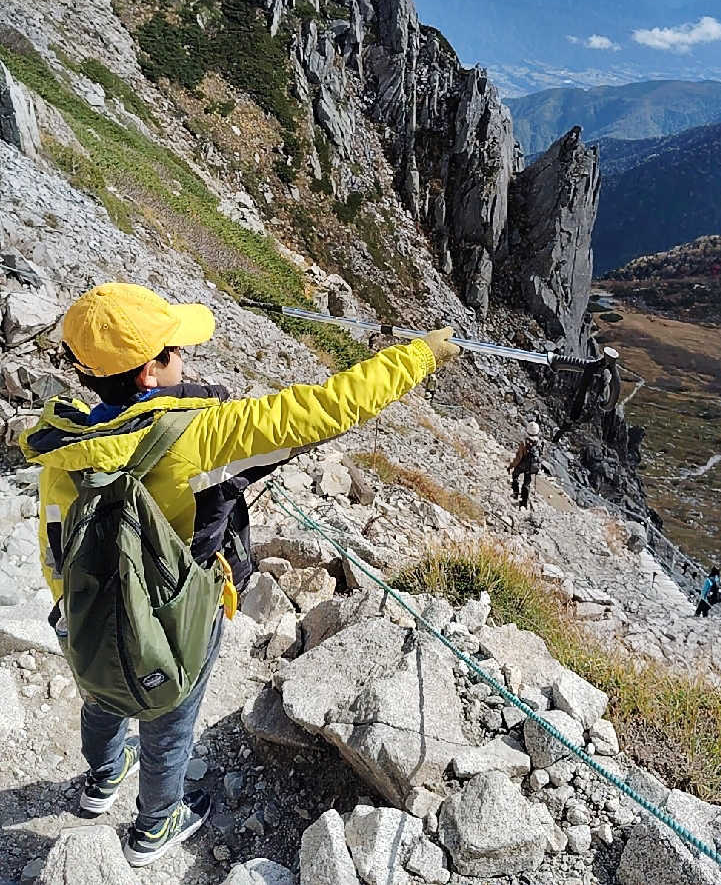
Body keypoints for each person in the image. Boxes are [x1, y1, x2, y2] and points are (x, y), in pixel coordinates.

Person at [20, 282, 460, 866]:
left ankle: (101, 781)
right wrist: (420, 355)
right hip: (173, 622)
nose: (187, 356)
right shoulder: (203, 435)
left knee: (100, 695)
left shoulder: (64, 441)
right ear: (150, 373)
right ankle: (154, 827)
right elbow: (326, 408)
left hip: (79, 613)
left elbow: (55, 536)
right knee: (169, 723)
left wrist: (66, 610)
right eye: (176, 349)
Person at [508, 424, 542, 508]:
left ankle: (515, 493)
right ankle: (524, 503)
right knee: (526, 484)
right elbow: (540, 455)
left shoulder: (524, 443)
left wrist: (511, 466)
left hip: (523, 464)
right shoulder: (540, 443)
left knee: (515, 475)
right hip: (532, 466)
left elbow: (519, 457)